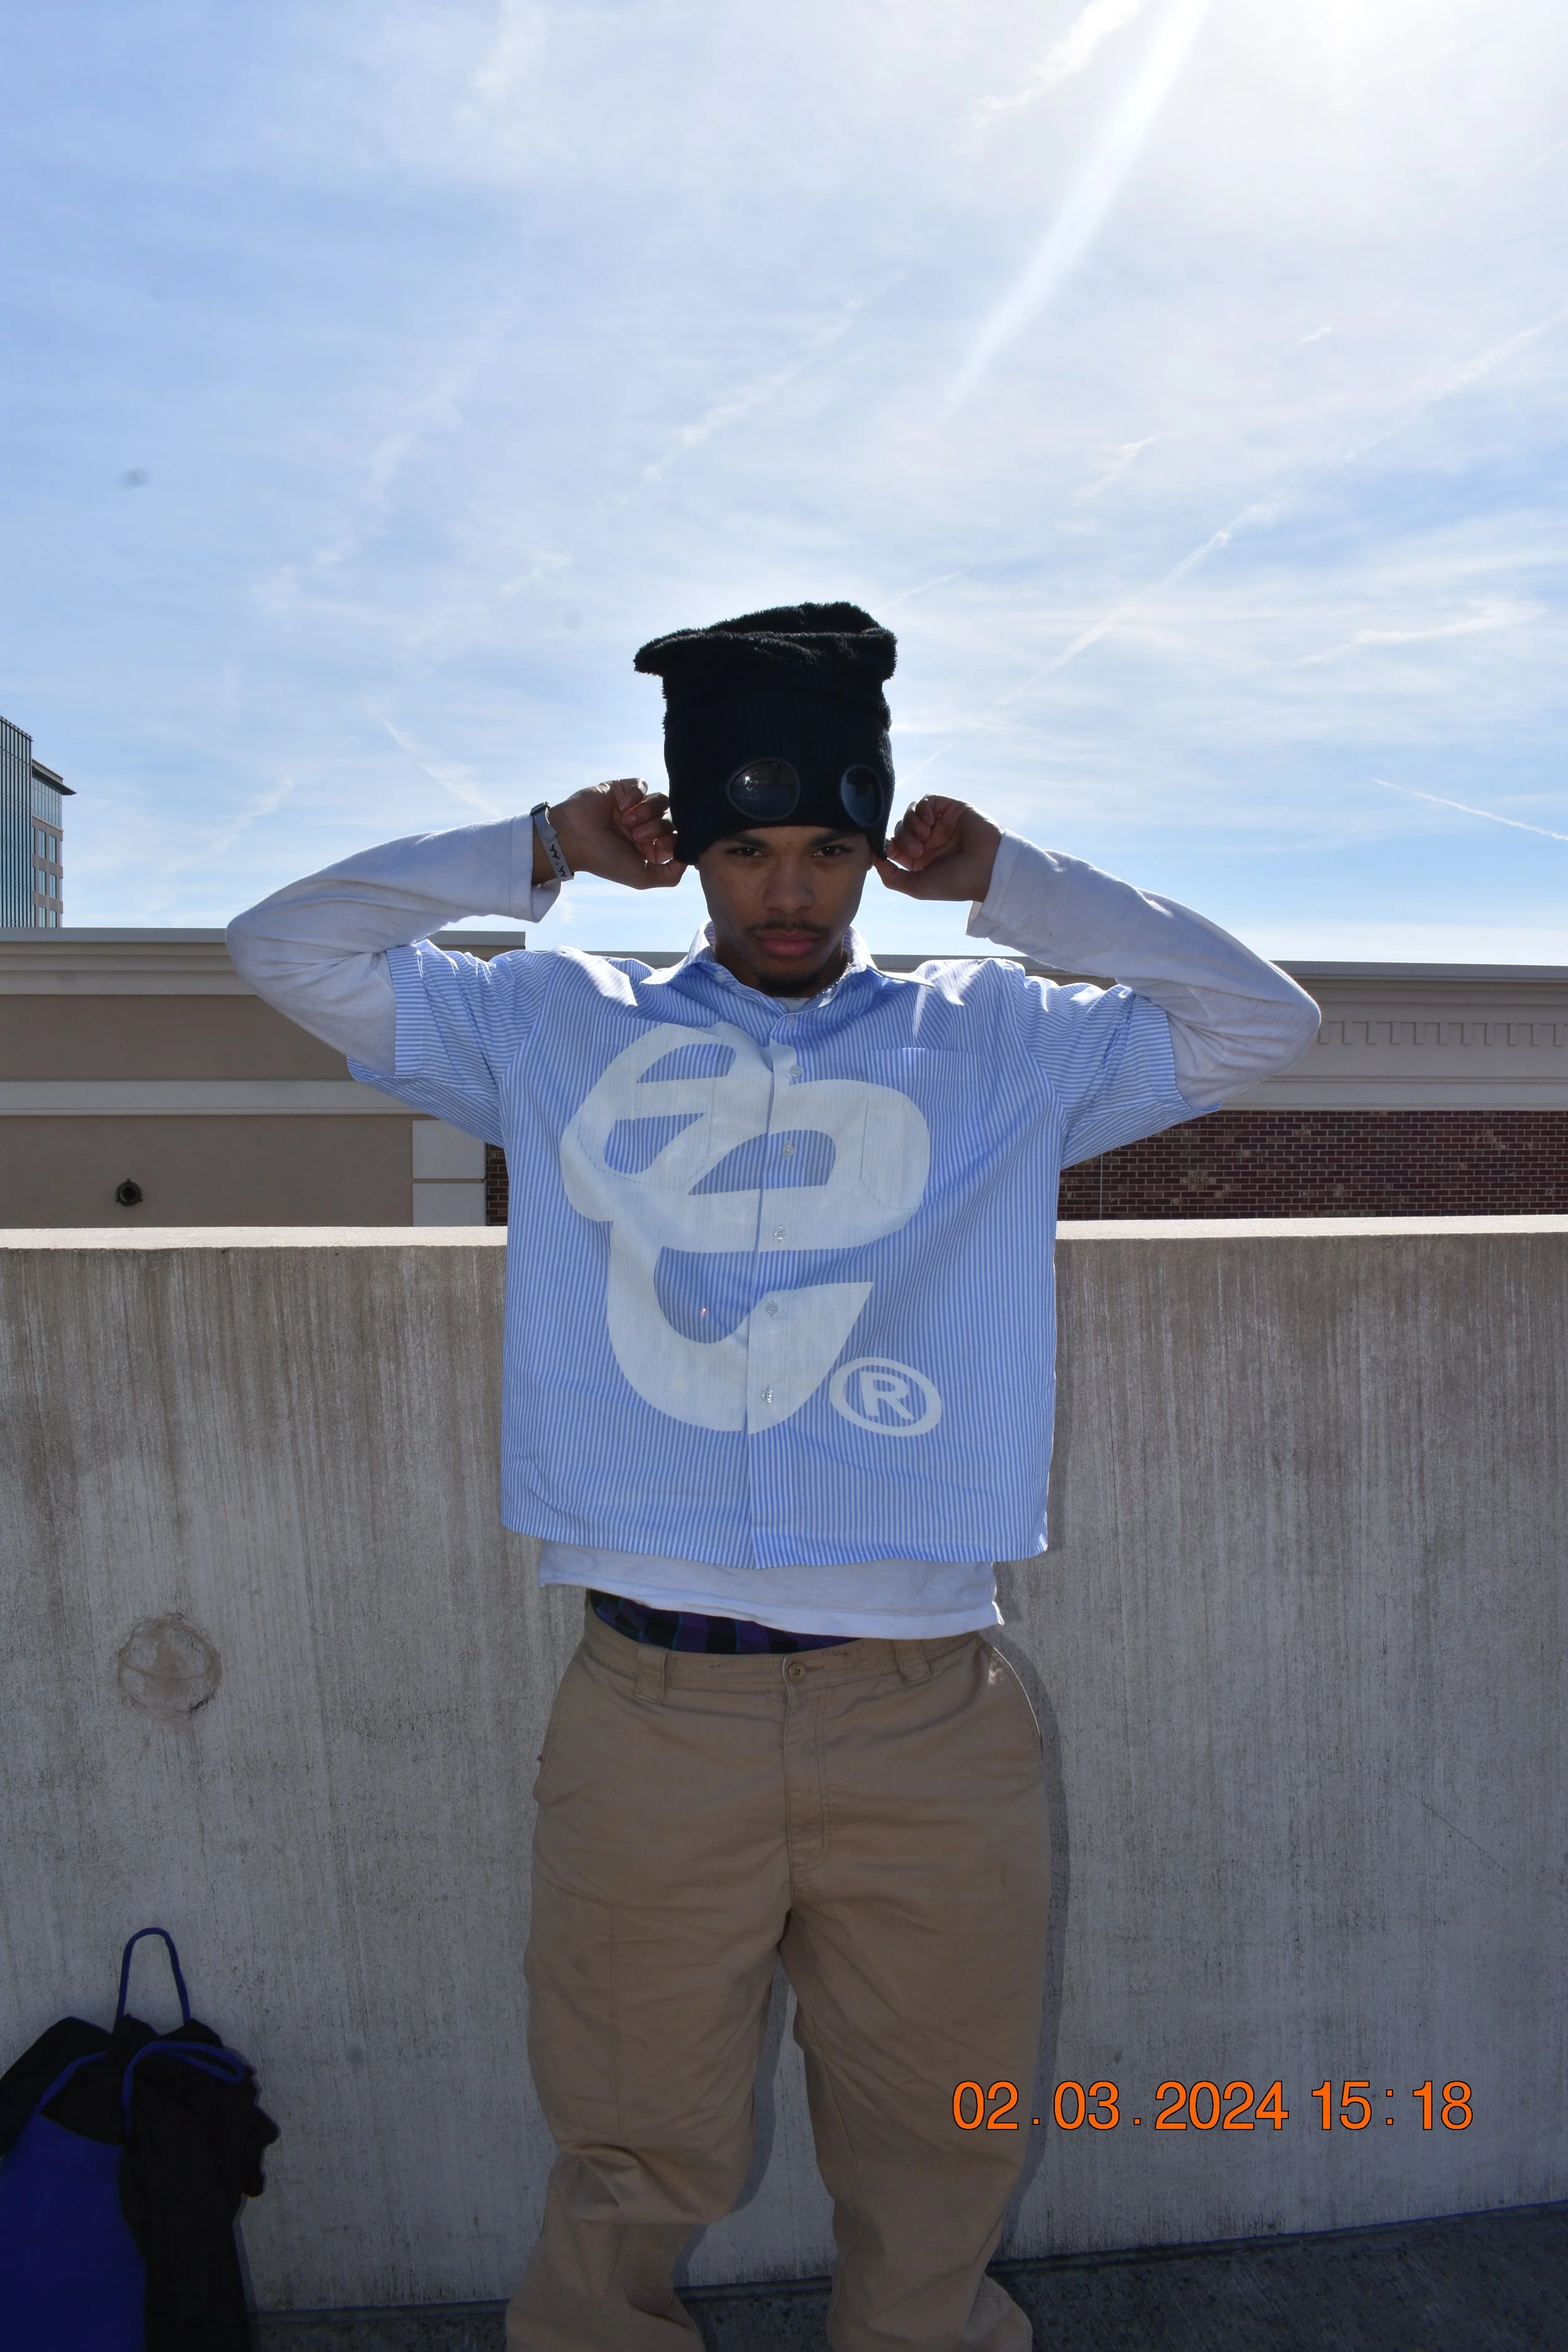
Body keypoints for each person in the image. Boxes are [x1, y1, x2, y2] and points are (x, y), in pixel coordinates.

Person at [228, 601, 1318, 2352]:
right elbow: (286, 946)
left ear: (875, 844)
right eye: (744, 848)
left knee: (938, 2151)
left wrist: (1023, 884)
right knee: (627, 2153)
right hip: (651, 1706)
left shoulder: (999, 1041)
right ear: (690, 852)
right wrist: (524, 852)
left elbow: (1260, 1021)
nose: (788, 890)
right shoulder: (548, 1018)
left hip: (929, 1711)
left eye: (824, 845)